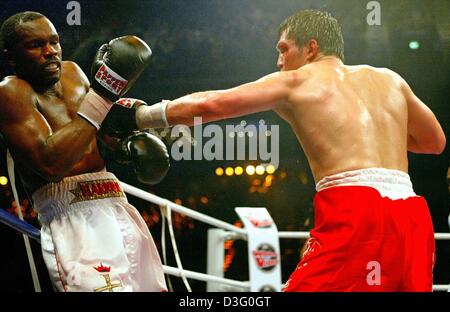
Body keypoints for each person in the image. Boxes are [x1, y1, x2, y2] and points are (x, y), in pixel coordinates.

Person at [113, 9, 446, 291]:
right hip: (412, 213)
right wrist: (375, 132)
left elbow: (210, 105)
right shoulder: (391, 80)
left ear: (311, 48)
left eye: (284, 49)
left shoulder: (296, 81)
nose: (279, 60)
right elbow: (434, 142)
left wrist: (139, 116)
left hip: (357, 208)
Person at [0, 11, 168, 292]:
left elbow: (95, 132)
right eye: (36, 45)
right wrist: (105, 93)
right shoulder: (10, 92)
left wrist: (125, 146)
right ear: (12, 56)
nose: (50, 51)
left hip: (118, 204)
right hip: (72, 217)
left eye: (54, 41)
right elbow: (51, 164)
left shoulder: (73, 73)